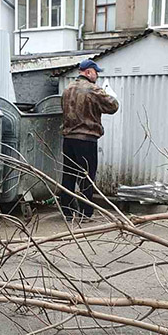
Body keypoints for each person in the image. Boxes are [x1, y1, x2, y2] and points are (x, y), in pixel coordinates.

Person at [60, 59, 119, 221]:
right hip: (86, 139)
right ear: (88, 72)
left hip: (68, 138)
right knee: (86, 176)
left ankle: (66, 211)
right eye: (96, 72)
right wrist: (110, 95)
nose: (97, 75)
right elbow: (113, 107)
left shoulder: (67, 89)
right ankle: (85, 213)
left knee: (69, 175)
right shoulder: (93, 90)